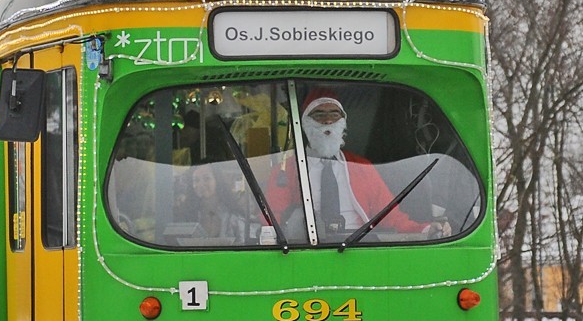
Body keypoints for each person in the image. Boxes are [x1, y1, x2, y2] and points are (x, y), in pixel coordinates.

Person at [268, 94, 449, 242]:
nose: (328, 121)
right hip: (307, 249)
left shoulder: (360, 166)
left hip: (359, 248)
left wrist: (425, 229)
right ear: (305, 124)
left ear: (343, 124)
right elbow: (274, 219)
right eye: (319, 115)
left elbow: (391, 217)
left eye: (334, 114)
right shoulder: (285, 170)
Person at [188, 164, 246, 244]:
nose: (201, 184)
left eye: (206, 178)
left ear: (217, 181)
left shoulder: (234, 217)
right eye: (196, 180)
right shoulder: (188, 215)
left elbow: (244, 246)